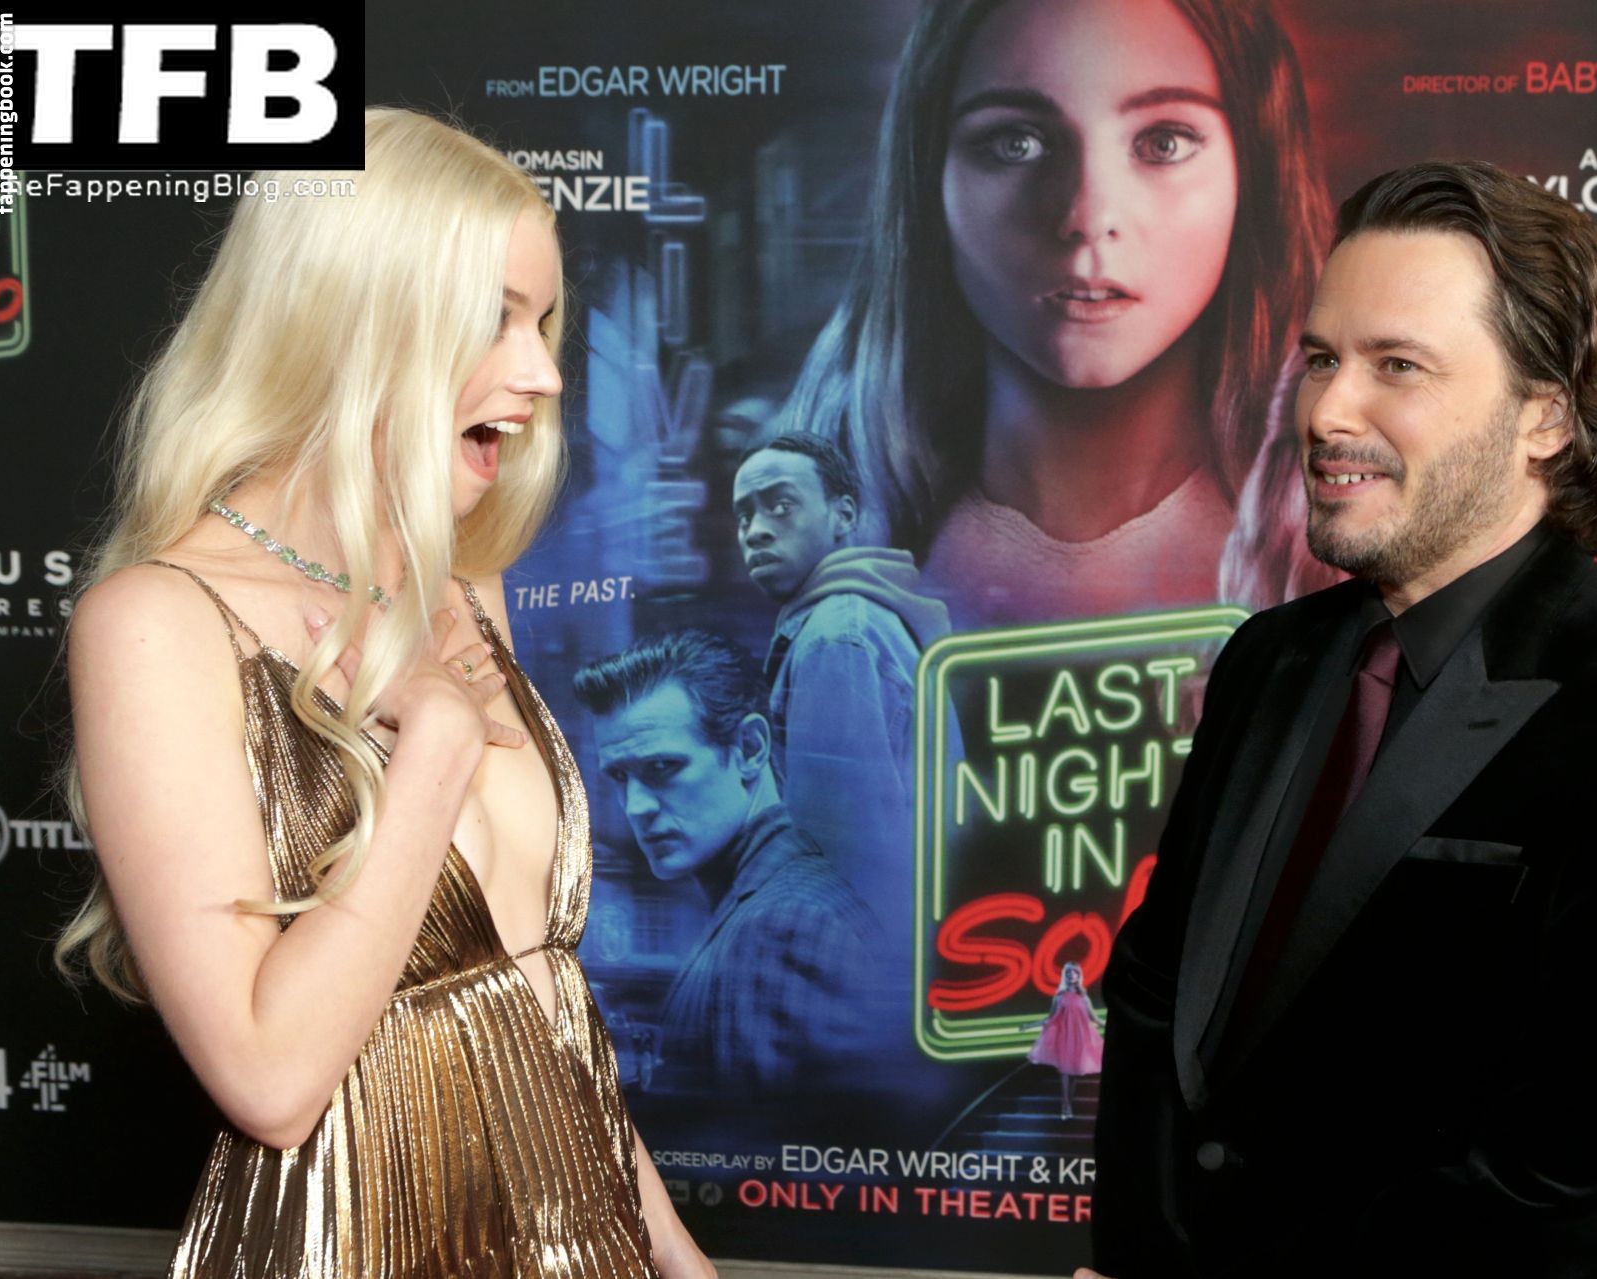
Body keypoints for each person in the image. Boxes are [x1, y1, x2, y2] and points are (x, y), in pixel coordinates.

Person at [1083, 161, 1597, 1277]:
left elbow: (1566, 1186)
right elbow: (1154, 998)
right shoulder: (1268, 660)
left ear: (1545, 416)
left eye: (1398, 366)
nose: (1328, 411)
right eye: (1321, 358)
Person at [54, 107, 712, 1278]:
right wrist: (437, 749)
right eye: (493, 317)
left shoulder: (462, 583)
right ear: (351, 316)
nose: (542, 372)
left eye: (543, 321)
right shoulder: (159, 623)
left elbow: (537, 1000)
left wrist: (675, 1255)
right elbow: (271, 1081)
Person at [780, 0, 1338, 626]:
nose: (1088, 216)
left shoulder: (1353, 549)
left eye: (1163, 142)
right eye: (1014, 143)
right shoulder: (811, 558)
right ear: (927, 180)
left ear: (1255, 172)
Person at [573, 630, 889, 1098]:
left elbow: (784, 1138)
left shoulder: (785, 926)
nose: (636, 807)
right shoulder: (766, 906)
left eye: (662, 768)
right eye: (620, 776)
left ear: (750, 749)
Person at [732, 432, 952, 917]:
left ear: (844, 515)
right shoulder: (857, 621)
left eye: (781, 506)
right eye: (744, 516)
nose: (755, 531)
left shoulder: (834, 639)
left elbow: (842, 860)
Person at [1028, 961, 1106, 1119]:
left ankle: (1069, 1103)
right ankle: (1065, 1107)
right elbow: (1050, 1018)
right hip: (1064, 1038)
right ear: (1065, 975)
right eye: (1068, 973)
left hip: (1080, 1038)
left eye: (1074, 972)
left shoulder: (1083, 997)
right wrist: (1030, 1025)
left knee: (1074, 1073)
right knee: (1064, 1073)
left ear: (1078, 975)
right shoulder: (1059, 996)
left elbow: (1095, 1018)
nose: (1071, 975)